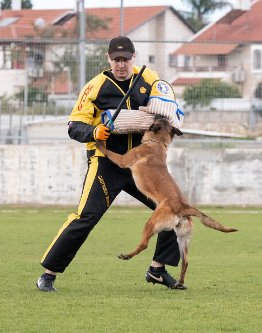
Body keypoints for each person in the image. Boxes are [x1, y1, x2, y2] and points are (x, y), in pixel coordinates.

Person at [36, 36, 182, 292]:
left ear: (133, 58)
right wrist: (94, 133)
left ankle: (158, 269)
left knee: (174, 210)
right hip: (106, 164)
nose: (121, 64)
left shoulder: (149, 79)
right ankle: (48, 274)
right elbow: (74, 126)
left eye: (125, 59)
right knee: (86, 217)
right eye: (116, 59)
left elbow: (167, 111)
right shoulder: (95, 87)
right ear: (109, 59)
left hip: (141, 166)